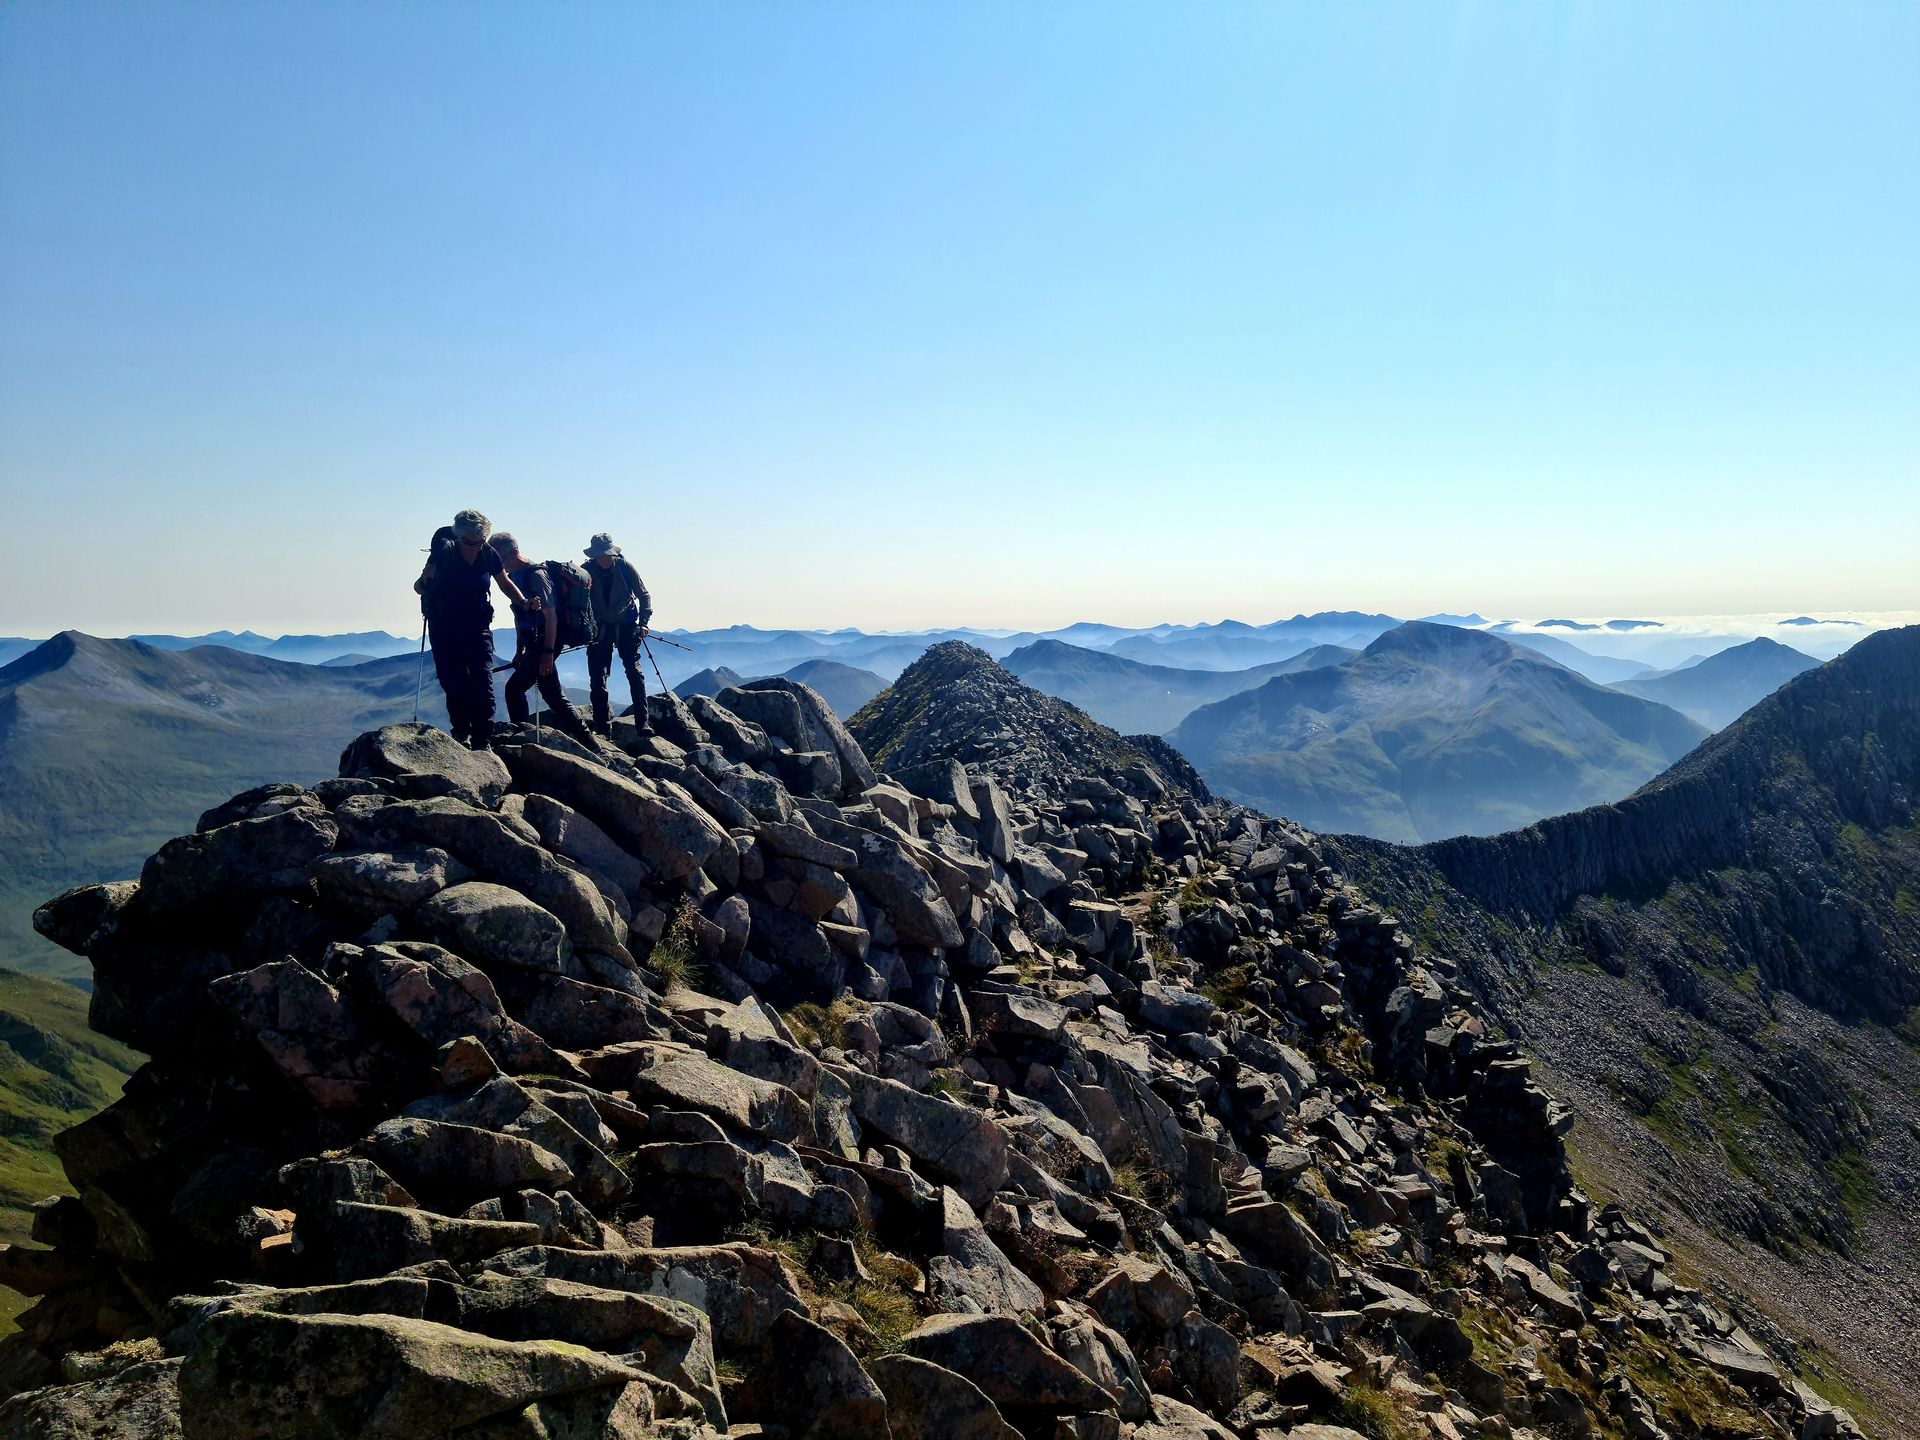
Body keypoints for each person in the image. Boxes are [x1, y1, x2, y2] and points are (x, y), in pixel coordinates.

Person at [414, 509, 532, 749]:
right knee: (453, 682)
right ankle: (461, 731)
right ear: (459, 537)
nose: (474, 547)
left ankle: (482, 738)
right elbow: (419, 587)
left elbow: (504, 583)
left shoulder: (488, 554)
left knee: (483, 681)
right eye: (469, 542)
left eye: (479, 542)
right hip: (444, 628)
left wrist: (523, 602)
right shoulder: (443, 553)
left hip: (478, 628)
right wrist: (425, 579)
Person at [488, 532, 598, 747]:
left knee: (514, 689)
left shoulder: (536, 575)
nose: (498, 566)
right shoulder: (513, 577)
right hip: (534, 641)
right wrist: (519, 651)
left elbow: (551, 616)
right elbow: (519, 616)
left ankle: (521, 739)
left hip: (546, 639)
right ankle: (589, 741)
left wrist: (547, 653)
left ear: (515, 553)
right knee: (552, 693)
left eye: (500, 559)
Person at [582, 532, 654, 736]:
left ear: (613, 553)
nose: (604, 558)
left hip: (626, 625)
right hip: (599, 628)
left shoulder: (625, 567)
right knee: (597, 676)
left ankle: (643, 723)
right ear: (594, 555)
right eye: (600, 555)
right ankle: (602, 725)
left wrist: (644, 622)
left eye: (607, 554)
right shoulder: (586, 570)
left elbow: (643, 595)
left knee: (633, 672)